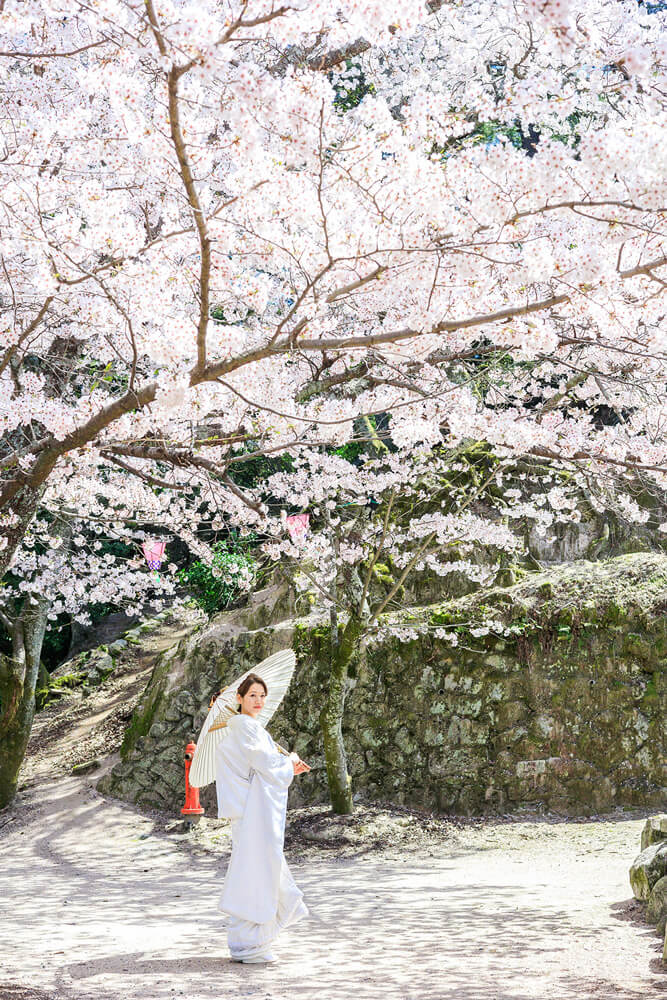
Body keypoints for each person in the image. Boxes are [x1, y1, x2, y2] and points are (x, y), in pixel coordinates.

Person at [214, 672, 310, 964]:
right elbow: (265, 765)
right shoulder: (246, 728)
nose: (258, 700)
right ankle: (252, 944)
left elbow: (260, 768)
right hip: (254, 811)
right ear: (239, 699)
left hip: (250, 809)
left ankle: (249, 941)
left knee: (256, 868)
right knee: (258, 870)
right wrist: (290, 760)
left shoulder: (246, 728)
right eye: (252, 695)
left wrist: (285, 765)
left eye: (262, 695)